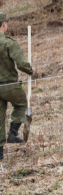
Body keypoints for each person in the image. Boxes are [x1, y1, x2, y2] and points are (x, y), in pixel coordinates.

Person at [0, 13, 33, 161]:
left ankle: (0, 153)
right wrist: (30, 70)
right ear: (4, 25)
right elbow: (21, 63)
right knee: (21, 103)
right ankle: (13, 133)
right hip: (9, 85)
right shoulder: (9, 43)